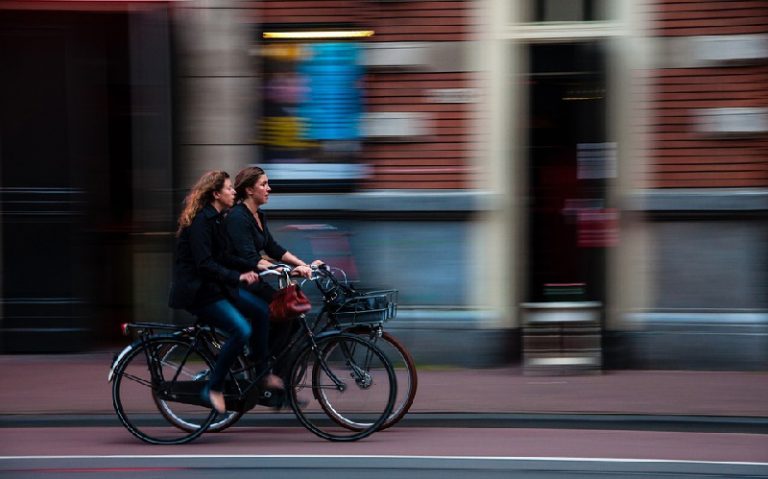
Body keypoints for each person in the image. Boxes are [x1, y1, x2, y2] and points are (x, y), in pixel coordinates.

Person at [168, 170, 282, 414]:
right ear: (216, 193)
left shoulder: (219, 218)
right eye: (229, 188)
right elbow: (205, 264)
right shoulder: (201, 221)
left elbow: (226, 256)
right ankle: (213, 387)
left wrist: (253, 267)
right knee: (241, 330)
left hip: (217, 287)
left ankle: (261, 373)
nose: (234, 192)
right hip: (199, 293)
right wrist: (238, 276)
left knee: (262, 311)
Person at [225, 166, 323, 290]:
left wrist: (305, 265)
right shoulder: (238, 217)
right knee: (274, 307)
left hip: (254, 279)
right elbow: (250, 258)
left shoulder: (259, 215)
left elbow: (272, 248)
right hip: (237, 284)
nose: (269, 189)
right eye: (263, 184)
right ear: (250, 190)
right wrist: (285, 270)